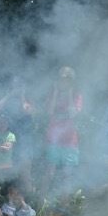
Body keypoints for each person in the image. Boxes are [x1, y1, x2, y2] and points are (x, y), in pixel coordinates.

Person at [41, 66, 83, 198]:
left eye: (66, 79)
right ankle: (41, 201)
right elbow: (49, 111)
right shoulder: (53, 94)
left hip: (70, 141)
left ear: (71, 81)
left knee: (67, 174)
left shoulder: (77, 95)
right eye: (61, 78)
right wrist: (55, 92)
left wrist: (70, 93)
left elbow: (73, 113)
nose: (63, 81)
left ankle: (64, 206)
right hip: (53, 139)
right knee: (50, 172)